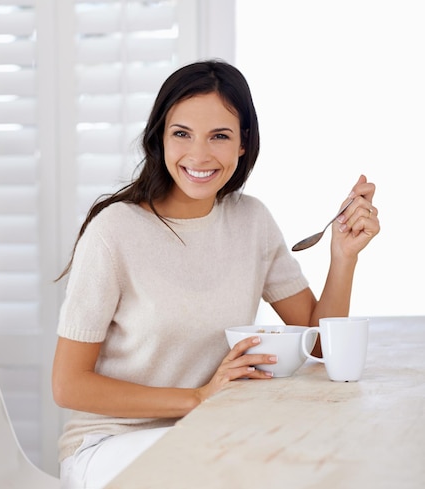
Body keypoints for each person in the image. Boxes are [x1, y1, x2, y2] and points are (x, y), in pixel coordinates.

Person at [52, 59, 380, 488]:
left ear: (243, 144)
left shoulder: (251, 222)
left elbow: (317, 343)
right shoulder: (115, 232)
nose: (199, 155)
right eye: (182, 134)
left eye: (220, 136)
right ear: (160, 138)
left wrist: (343, 256)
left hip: (211, 436)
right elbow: (68, 385)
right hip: (110, 445)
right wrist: (198, 398)